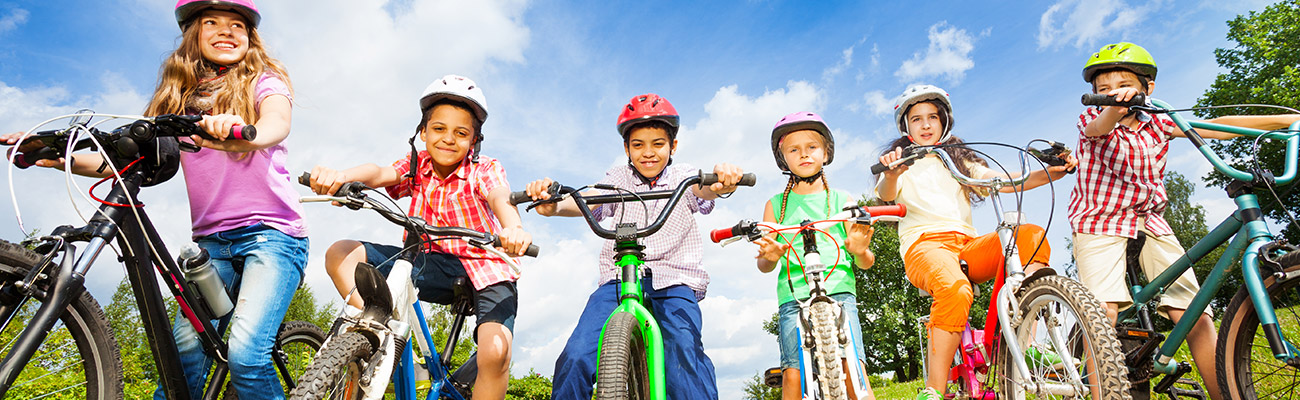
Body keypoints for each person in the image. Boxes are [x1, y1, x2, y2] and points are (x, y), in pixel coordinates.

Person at [4, 1, 306, 398]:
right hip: (212, 242)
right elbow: (123, 156)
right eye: (211, 23)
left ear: (250, 37)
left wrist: (237, 128)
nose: (225, 31)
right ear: (192, 35)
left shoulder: (262, 82)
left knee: (247, 354)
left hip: (273, 235)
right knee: (184, 350)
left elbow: (274, 125)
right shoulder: (180, 100)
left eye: (237, 25)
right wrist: (62, 156)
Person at [1071, 42, 1300, 400]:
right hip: (1099, 220)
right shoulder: (1092, 119)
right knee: (1102, 310)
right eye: (1103, 90)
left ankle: (1227, 394)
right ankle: (1106, 393)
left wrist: (1287, 120)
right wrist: (1114, 107)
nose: (1114, 93)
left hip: (1151, 221)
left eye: (1125, 84)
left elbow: (1220, 126)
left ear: (1149, 88)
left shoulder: (1160, 121)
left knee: (1192, 311)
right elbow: (1099, 128)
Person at [306, 74, 531, 399]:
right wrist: (342, 177)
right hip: (430, 263)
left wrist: (513, 228)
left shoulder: (484, 168)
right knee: (340, 253)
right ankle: (382, 340)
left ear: (474, 140)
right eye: (439, 129)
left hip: (487, 269)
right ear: (423, 132)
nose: (448, 139)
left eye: (461, 133)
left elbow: (500, 197)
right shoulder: (417, 165)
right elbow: (380, 173)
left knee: (494, 355)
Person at [523, 93, 744, 399]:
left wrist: (722, 181)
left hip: (673, 279)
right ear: (626, 148)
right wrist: (554, 204)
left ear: (673, 146)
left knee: (682, 348)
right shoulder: (617, 180)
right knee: (575, 355)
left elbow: (704, 188)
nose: (648, 153)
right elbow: (586, 200)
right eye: (638, 145)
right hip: (618, 278)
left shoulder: (684, 175)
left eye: (658, 144)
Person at [875, 84, 1075, 400]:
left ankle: (1026, 345)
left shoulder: (958, 159)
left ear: (944, 122)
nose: (926, 125)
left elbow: (1004, 179)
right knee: (955, 290)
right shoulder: (900, 163)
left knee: (1029, 236)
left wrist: (1053, 171)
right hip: (925, 246)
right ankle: (933, 390)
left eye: (932, 117)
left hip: (968, 245)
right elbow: (885, 196)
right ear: (906, 126)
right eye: (917, 119)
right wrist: (891, 173)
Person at [754, 111, 876, 400]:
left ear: (826, 152)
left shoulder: (842, 200)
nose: (804, 154)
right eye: (793, 150)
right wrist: (770, 255)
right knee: (792, 378)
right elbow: (764, 265)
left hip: (840, 291)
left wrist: (860, 250)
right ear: (783, 158)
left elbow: (866, 261)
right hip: (793, 295)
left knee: (855, 374)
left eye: (812, 147)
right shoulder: (775, 206)